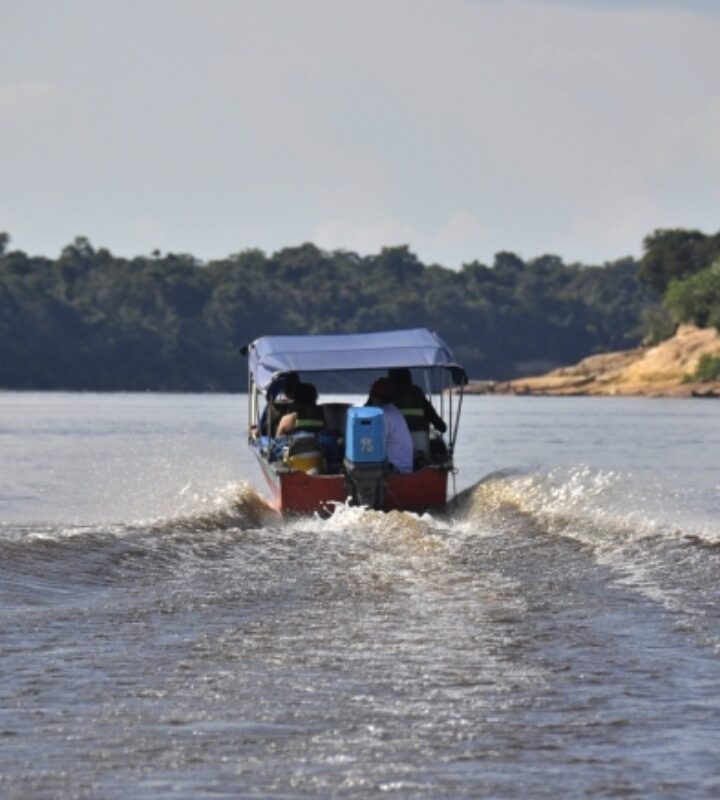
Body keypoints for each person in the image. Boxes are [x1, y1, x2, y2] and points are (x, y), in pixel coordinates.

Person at [367, 378, 413, 474]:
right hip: (405, 466)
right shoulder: (393, 410)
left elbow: (373, 446)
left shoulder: (383, 415)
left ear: (373, 395)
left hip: (398, 470)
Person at [387, 367, 447, 434]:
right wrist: (441, 426)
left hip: (396, 436)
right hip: (419, 435)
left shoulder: (388, 393)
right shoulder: (417, 392)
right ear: (408, 377)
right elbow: (431, 414)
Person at [256, 371, 300, 436]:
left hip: (278, 438)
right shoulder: (312, 409)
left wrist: (256, 431)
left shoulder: (273, 407)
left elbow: (261, 431)